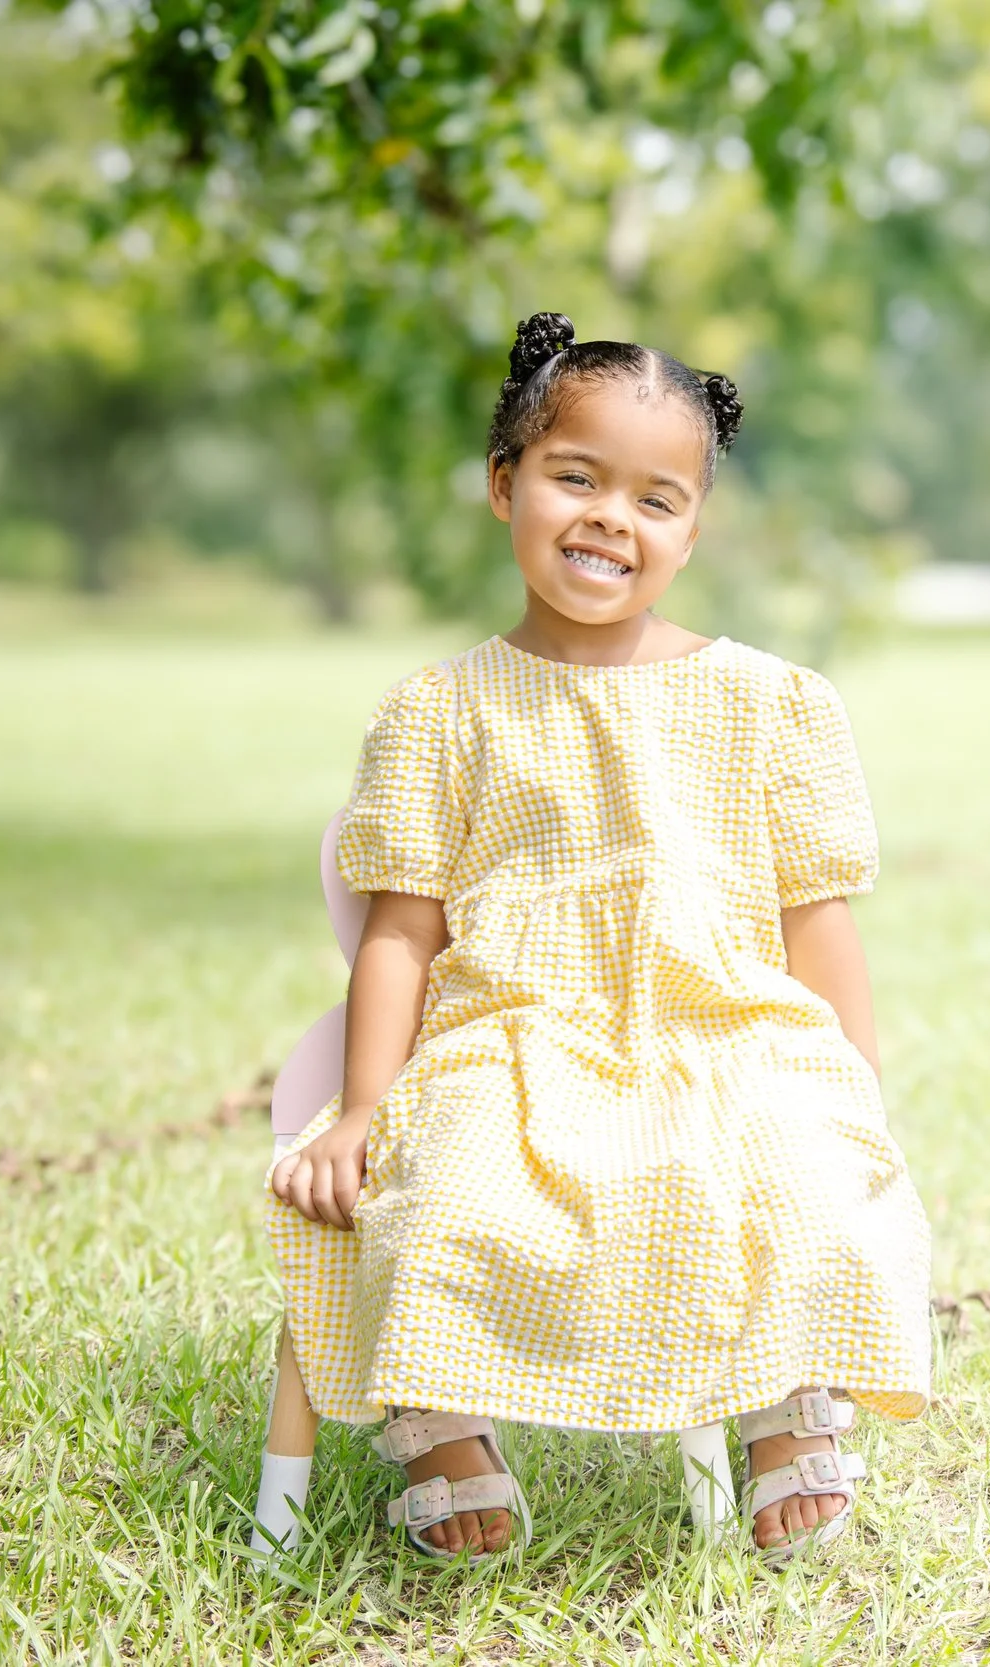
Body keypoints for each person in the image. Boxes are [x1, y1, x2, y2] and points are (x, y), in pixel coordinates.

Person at [266, 313, 931, 1564]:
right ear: (504, 482)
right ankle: (442, 1417)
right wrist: (360, 1109)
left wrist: (858, 1092)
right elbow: (399, 934)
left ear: (690, 531)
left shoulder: (771, 702)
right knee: (446, 1186)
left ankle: (790, 1395)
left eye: (655, 497)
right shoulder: (439, 710)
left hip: (726, 1024)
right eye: (576, 476)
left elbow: (814, 918)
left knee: (796, 1172)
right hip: (512, 1033)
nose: (609, 516)